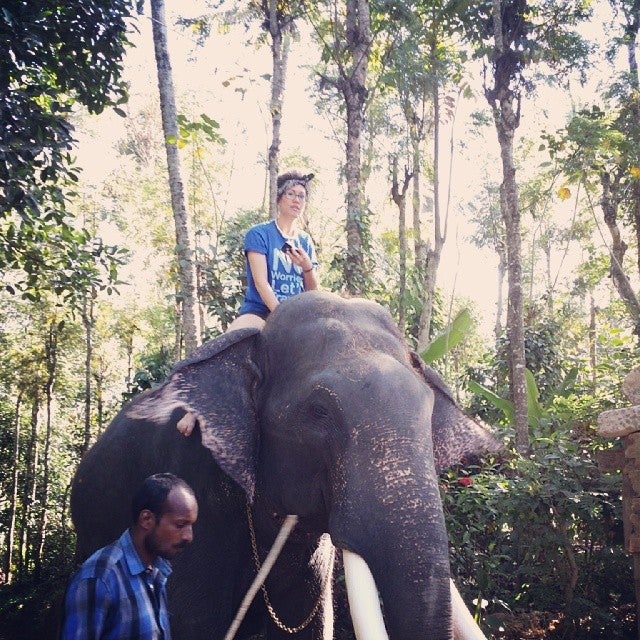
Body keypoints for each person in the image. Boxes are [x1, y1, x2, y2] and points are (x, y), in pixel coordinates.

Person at [60, 473, 198, 640]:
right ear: (147, 519)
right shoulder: (98, 578)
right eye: (180, 525)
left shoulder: (156, 571)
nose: (188, 536)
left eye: (191, 525)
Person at [226, 170, 319, 331]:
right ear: (278, 199)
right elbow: (261, 283)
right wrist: (281, 319)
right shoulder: (259, 234)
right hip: (259, 312)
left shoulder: (305, 241)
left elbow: (313, 293)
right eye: (290, 194)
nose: (296, 200)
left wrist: (307, 267)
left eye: (301, 196)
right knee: (228, 342)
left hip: (299, 315)